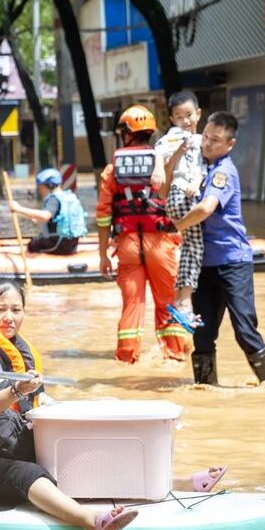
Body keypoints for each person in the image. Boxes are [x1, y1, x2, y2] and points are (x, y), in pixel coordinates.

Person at [0, 279, 228, 530]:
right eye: (0, 309)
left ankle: (175, 482)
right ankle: (89, 522)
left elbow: (35, 406)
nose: (9, 317)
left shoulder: (17, 348)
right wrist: (18, 390)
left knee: (69, 452)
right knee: (24, 473)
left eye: (16, 309)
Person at [173, 111, 265, 386]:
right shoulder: (197, 168)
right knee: (202, 333)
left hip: (232, 261)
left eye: (215, 140)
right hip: (204, 265)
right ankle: (206, 387)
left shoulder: (223, 171)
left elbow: (206, 208)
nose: (206, 143)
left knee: (244, 328)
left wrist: (176, 227)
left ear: (230, 144)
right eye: (205, 136)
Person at [96, 105, 189, 364]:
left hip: (127, 245)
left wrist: (103, 255)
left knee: (132, 304)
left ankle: (127, 359)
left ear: (125, 133)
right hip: (161, 243)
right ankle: (175, 355)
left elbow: (103, 216)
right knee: (168, 302)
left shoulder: (111, 170)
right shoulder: (165, 161)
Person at [155, 91, 207, 330]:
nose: (185, 121)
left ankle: (180, 299)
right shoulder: (176, 135)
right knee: (194, 246)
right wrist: (159, 169)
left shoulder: (200, 140)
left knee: (189, 245)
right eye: (179, 117)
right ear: (172, 120)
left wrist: (196, 183)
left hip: (185, 193)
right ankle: (185, 303)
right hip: (179, 194)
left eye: (188, 115)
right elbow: (158, 148)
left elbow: (201, 169)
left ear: (198, 114)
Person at [9, 168, 87, 255]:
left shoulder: (53, 199)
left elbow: (44, 216)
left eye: (41, 188)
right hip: (72, 244)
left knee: (32, 244)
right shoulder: (69, 197)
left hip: (57, 245)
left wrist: (18, 208)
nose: (40, 191)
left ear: (49, 186)